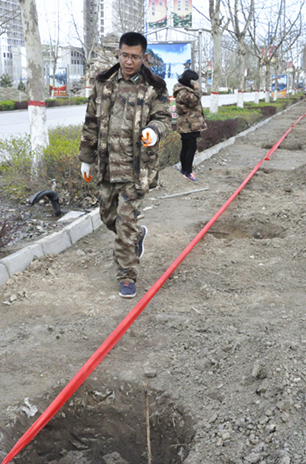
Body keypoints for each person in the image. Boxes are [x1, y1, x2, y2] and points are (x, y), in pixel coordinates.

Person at [78, 32, 172, 299]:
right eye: (124, 55)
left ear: (144, 57)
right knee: (109, 218)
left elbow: (164, 118)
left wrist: (154, 131)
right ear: (118, 54)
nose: (128, 62)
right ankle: (137, 235)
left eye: (134, 57)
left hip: (136, 168)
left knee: (125, 224)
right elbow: (90, 123)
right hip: (107, 166)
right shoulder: (103, 83)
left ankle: (127, 275)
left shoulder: (155, 86)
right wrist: (86, 158)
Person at [173, 69, 206, 182]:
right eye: (195, 80)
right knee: (190, 148)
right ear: (190, 80)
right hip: (188, 125)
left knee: (187, 147)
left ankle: (184, 169)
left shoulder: (184, 90)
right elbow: (194, 101)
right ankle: (188, 171)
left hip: (190, 124)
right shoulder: (183, 91)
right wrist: (197, 89)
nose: (196, 83)